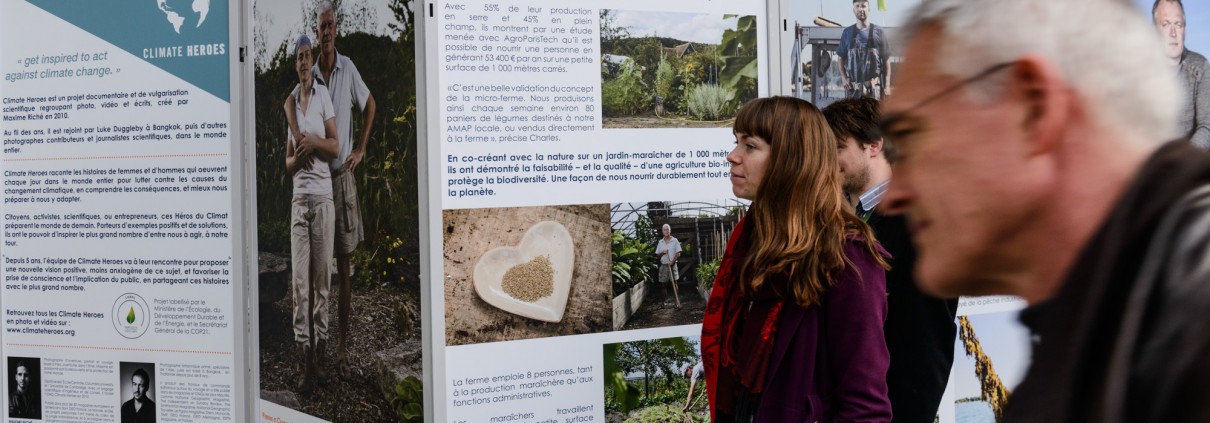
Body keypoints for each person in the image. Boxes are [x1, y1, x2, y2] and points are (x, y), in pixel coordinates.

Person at [881, 0, 1210, 421]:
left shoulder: (1186, 329)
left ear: (1033, 111)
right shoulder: (1112, 331)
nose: (895, 195)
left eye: (911, 137)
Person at [702, 96, 891, 422]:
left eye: (750, 146)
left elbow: (865, 408)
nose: (732, 157)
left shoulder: (847, 258)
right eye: (736, 143)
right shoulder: (755, 242)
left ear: (791, 158)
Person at [824, 96, 957, 423]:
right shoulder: (845, 218)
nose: (827, 162)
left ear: (874, 145)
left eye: (838, 149)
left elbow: (925, 345)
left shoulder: (920, 224)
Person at [285, 0, 377, 379]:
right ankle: (313, 356)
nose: (326, 32)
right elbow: (292, 137)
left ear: (335, 31)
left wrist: (362, 148)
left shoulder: (347, 68)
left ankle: (338, 350)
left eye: (329, 27)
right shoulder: (306, 87)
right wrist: (299, 141)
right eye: (321, 26)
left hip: (339, 180)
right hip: (311, 190)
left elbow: (369, 105)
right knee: (313, 276)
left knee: (341, 267)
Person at [285, 33, 339, 394]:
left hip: (322, 201)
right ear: (295, 65)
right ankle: (303, 358)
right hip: (299, 202)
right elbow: (288, 164)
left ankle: (320, 354)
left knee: (321, 282)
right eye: (300, 57)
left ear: (313, 61)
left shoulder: (322, 97)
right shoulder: (291, 104)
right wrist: (299, 156)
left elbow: (334, 147)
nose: (305, 62)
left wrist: (313, 144)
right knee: (300, 286)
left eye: (308, 55)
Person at [1153, 0, 1210, 149]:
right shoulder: (1138, 69)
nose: (1173, 33)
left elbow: (1207, 125)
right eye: (1165, 24)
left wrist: (1182, 164)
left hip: (1188, 163)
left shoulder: (1200, 65)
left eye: (1178, 24)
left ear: (1185, 29)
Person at [836, 0, 890, 99]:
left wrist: (887, 86)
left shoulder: (879, 32)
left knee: (874, 114)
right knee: (852, 115)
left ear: (869, 9)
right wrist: (844, 78)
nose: (860, 9)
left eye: (863, 6)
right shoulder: (847, 33)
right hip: (853, 92)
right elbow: (840, 59)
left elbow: (886, 60)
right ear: (853, 10)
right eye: (857, 6)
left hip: (874, 91)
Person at [654, 223, 682, 309]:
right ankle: (663, 303)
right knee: (663, 285)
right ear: (662, 231)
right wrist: (662, 252)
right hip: (663, 266)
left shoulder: (675, 240)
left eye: (667, 229)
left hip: (673, 265)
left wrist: (673, 261)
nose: (666, 231)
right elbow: (657, 256)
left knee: (675, 283)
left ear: (670, 230)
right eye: (664, 229)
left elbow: (678, 253)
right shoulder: (660, 242)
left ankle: (676, 302)